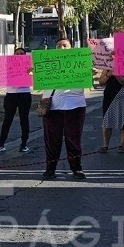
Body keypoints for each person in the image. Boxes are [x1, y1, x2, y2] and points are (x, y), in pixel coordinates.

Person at [42, 37, 87, 180]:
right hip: (52, 107)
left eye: (64, 46)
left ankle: (76, 168)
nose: (61, 48)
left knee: (73, 139)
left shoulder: (80, 62)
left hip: (75, 106)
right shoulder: (46, 62)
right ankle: (50, 169)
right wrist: (35, 72)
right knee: (51, 139)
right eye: (58, 46)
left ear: (71, 48)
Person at [0, 47, 33, 154]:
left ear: (25, 55)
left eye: (22, 53)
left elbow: (35, 78)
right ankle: (1, 143)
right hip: (11, 95)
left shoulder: (29, 66)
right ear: (13, 55)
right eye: (17, 53)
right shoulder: (8, 64)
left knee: (24, 120)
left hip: (24, 94)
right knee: (7, 120)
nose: (19, 55)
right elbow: (0, 74)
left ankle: (24, 144)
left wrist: (31, 72)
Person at [95, 68, 124, 154]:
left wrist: (117, 74)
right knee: (106, 120)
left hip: (123, 95)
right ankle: (105, 145)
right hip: (109, 96)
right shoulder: (107, 68)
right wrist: (108, 74)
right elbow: (101, 82)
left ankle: (121, 145)